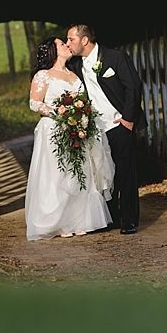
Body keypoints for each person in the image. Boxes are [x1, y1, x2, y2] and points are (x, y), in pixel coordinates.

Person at [26, 37, 115, 240]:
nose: (66, 45)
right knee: (57, 175)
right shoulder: (43, 75)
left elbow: (83, 102)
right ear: (52, 51)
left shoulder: (74, 76)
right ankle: (59, 222)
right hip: (53, 131)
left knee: (80, 173)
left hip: (76, 129)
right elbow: (34, 103)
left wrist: (81, 117)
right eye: (61, 44)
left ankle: (80, 220)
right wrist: (60, 113)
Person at [66, 23, 146, 234]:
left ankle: (130, 220)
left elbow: (134, 87)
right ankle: (113, 217)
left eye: (71, 39)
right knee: (103, 174)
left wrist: (128, 119)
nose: (68, 44)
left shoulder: (114, 57)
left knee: (125, 172)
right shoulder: (76, 65)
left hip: (119, 125)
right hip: (94, 130)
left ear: (84, 40)